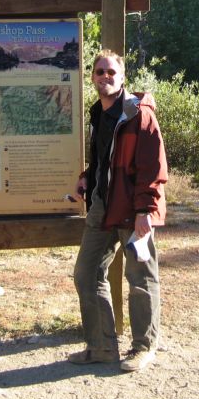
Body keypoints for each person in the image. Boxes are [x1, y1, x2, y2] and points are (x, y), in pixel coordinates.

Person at [68, 50, 168, 372]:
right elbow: (103, 161)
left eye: (111, 72)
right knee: (87, 273)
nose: (105, 76)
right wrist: (86, 179)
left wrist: (145, 211)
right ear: (93, 77)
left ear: (122, 77)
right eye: (99, 72)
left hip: (133, 208)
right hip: (101, 207)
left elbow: (153, 167)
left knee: (140, 277)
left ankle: (143, 346)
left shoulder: (139, 115)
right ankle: (101, 347)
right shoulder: (97, 112)